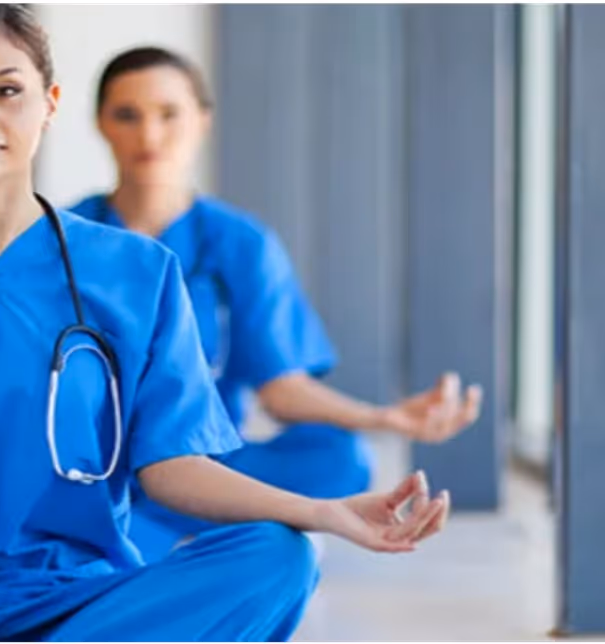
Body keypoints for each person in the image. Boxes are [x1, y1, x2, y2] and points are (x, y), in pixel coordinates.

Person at [0, 5, 452, 641]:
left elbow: (171, 466)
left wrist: (324, 513)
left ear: (49, 104)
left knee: (276, 555)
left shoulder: (137, 273)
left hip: (74, 600)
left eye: (6, 90)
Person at [69, 46, 483, 562]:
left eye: (168, 114)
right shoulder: (67, 241)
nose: (149, 136)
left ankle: (184, 522)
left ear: (202, 121)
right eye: (127, 115)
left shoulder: (241, 243)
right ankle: (206, 529)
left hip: (212, 463)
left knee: (338, 457)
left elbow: (281, 389)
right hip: (101, 466)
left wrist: (386, 417)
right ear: (100, 124)